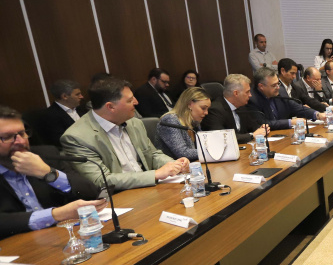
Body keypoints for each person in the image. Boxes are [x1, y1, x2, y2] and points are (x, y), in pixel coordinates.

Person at [60, 78, 189, 192]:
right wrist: (155, 175)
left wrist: (174, 164)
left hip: (150, 188)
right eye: (130, 100)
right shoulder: (77, 137)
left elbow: (152, 154)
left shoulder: (134, 123)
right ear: (110, 107)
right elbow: (100, 180)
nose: (136, 102)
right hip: (118, 198)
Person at [0, 106, 103, 239]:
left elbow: (91, 192)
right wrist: (56, 214)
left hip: (61, 236)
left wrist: (49, 173)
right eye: (8, 137)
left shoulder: (45, 155)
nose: (20, 141)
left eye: (22, 133)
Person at [200, 74, 269, 144]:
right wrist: (251, 135)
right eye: (247, 92)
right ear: (236, 93)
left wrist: (262, 128)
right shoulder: (215, 110)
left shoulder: (241, 106)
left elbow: (252, 126)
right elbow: (221, 138)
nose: (250, 95)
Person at [248, 68, 322, 130]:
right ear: (261, 86)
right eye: (274, 85)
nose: (278, 87)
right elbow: (263, 124)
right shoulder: (252, 99)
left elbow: (296, 107)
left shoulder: (281, 91)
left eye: (278, 83)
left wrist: (317, 115)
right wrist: (290, 122)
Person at [156, 88, 211, 161]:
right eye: (203, 108)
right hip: (174, 166)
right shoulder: (170, 120)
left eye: (207, 109)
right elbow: (182, 153)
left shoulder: (194, 122)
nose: (206, 113)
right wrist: (210, 151)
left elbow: (202, 145)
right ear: (189, 104)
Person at [34, 79, 87, 147]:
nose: (82, 96)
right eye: (77, 94)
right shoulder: (50, 116)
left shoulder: (82, 108)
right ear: (65, 96)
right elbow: (62, 141)